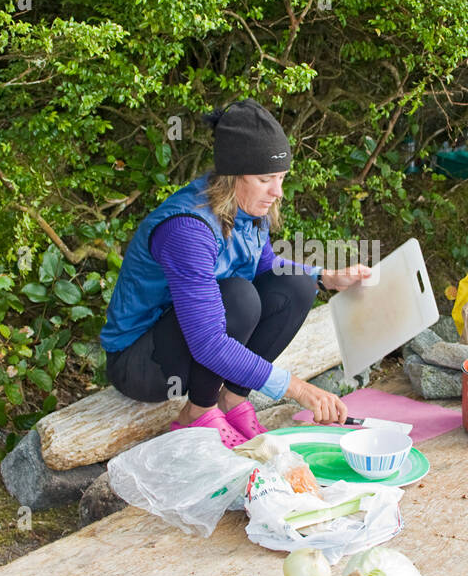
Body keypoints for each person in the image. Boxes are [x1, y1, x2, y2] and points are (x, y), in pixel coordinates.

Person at [100, 100, 371, 448]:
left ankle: (233, 398)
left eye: (281, 178)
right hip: (142, 365)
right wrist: (297, 389)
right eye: (265, 180)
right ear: (232, 175)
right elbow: (208, 341)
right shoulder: (188, 229)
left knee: (296, 285)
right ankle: (197, 412)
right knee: (239, 298)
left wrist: (325, 277)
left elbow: (265, 266)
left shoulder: (248, 206)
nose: (277, 193)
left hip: (189, 349)